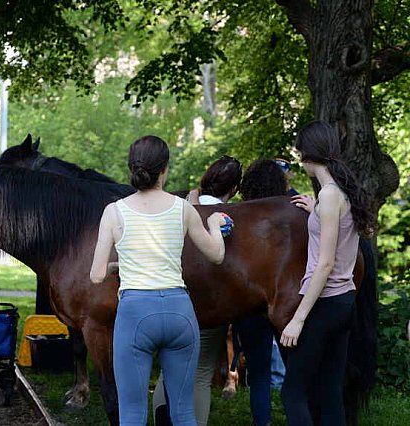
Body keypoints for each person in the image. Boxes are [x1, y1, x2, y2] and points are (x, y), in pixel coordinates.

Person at [90, 135, 229, 425]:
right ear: (164, 169)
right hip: (180, 312)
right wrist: (215, 224)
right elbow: (216, 255)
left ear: (132, 168)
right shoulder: (183, 208)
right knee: (183, 412)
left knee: (132, 414)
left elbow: (97, 274)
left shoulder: (114, 211)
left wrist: (123, 263)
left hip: (136, 315)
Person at [280, 121, 376, 426]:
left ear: (308, 154)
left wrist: (298, 319)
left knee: (293, 393)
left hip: (326, 302)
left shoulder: (331, 195)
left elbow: (325, 264)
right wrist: (315, 211)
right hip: (344, 302)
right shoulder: (335, 195)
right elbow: (338, 228)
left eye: (299, 152)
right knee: (330, 391)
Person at [154, 154, 243, 426]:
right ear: (234, 189)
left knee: (165, 374)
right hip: (211, 309)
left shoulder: (176, 208)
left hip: (170, 304)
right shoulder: (233, 218)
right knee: (201, 374)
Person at [234, 158, 289, 426]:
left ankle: (263, 421)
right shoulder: (290, 221)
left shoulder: (238, 218)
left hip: (248, 303)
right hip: (287, 301)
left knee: (258, 374)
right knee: (299, 369)